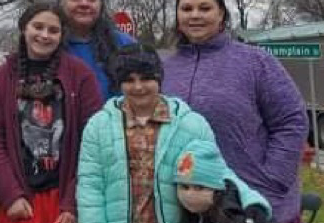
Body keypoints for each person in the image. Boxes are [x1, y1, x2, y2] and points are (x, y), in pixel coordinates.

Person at [162, 0, 307, 223]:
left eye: (204, 8)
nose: (195, 15)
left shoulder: (255, 61)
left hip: (255, 202)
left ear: (221, 15)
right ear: (178, 18)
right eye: (186, 9)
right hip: (190, 207)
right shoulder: (166, 68)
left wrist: (271, 180)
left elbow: (291, 121)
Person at [77, 44, 263, 223]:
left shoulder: (190, 124)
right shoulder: (98, 126)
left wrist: (251, 201)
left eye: (146, 78)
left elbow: (218, 171)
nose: (138, 87)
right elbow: (90, 186)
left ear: (159, 79)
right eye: (129, 80)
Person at [0, 0, 102, 223]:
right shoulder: (5, 74)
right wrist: (10, 195)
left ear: (61, 35)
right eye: (37, 27)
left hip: (62, 201)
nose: (45, 35)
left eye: (53, 30)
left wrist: (72, 201)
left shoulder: (80, 75)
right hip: (20, 200)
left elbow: (92, 142)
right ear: (24, 28)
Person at [57, 0, 135, 99]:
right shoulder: (50, 46)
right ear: (61, 4)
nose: (84, 3)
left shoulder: (125, 45)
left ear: (101, 5)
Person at [174, 140, 271, 223]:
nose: (189, 195)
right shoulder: (190, 213)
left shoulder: (230, 212)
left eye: (199, 187)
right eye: (184, 187)